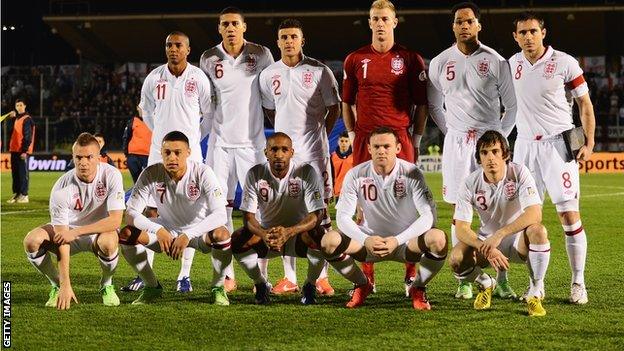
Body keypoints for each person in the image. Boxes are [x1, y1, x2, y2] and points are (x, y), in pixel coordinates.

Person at [427, 2, 517, 300]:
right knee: (458, 210)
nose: (464, 25)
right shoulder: (440, 62)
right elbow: (433, 105)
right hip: (456, 144)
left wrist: (497, 140)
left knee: (499, 210)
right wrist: (451, 132)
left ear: (479, 25)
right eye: (458, 21)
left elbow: (512, 106)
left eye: (469, 21)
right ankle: (464, 277)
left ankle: (502, 278)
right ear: (453, 26)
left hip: (488, 141)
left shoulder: (496, 61)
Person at [342, 0, 429, 294]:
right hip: (366, 137)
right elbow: (346, 101)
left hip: (400, 138)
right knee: (363, 203)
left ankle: (410, 274)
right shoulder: (355, 59)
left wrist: (415, 139)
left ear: (395, 22)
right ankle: (368, 275)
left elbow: (421, 104)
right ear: (369, 23)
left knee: (407, 202)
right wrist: (354, 134)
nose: (380, 23)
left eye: (385, 19)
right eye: (375, 19)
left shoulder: (410, 58)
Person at [510, 11, 596, 304]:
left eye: (533, 31)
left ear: (543, 32)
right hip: (524, 147)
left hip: (558, 146)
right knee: (529, 221)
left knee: (569, 216)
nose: (528, 37)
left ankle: (578, 283)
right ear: (515, 37)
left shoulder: (564, 62)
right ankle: (536, 284)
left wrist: (589, 141)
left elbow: (585, 104)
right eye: (522, 33)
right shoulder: (512, 64)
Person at [322, 127, 447, 310]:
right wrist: (366, 239)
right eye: (377, 146)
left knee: (438, 238)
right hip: (369, 244)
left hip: (405, 244)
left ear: (397, 148)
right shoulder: (356, 174)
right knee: (329, 241)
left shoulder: (412, 173)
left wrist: (397, 240)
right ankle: (362, 284)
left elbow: (428, 217)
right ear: (369, 148)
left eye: (387, 146)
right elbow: (342, 217)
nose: (381, 151)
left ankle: (418, 288)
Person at [232, 133, 364, 305]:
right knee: (237, 239)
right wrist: (264, 234)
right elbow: (248, 217)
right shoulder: (255, 173)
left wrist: (289, 231)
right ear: (266, 152)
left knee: (320, 235)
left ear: (292, 152)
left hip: (299, 238)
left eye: (284, 150)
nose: (279, 154)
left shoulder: (306, 171)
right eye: (274, 149)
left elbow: (317, 214)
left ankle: (310, 284)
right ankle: (260, 283)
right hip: (270, 238)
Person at [259, 18, 338, 296]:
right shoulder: (269, 75)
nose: (289, 41)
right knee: (284, 211)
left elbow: (334, 109)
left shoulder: (320, 71)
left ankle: (323, 278)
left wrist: (319, 135)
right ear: (278, 42)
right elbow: (271, 110)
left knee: (321, 214)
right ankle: (290, 277)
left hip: (314, 153)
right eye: (284, 37)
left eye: (294, 36)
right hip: (284, 155)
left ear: (302, 40)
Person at [129, 31, 213, 293]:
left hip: (190, 156)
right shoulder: (154, 78)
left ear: (188, 49)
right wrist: (161, 138)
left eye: (178, 45)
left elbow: (209, 115)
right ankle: (147, 276)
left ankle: (184, 276)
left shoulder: (198, 77)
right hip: (159, 154)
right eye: (169, 45)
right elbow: (146, 112)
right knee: (151, 212)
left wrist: (192, 142)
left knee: (189, 213)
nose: (173, 49)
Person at [199, 7, 275, 292]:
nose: (230, 28)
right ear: (219, 29)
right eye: (225, 24)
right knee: (220, 210)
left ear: (244, 26)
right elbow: (206, 103)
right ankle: (227, 275)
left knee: (262, 211)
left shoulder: (262, 54)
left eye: (235, 23)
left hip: (252, 145)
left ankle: (262, 276)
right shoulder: (208, 57)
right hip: (219, 146)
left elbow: (271, 94)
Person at [119, 131, 232, 305]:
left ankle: (217, 287)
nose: (172, 157)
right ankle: (151, 286)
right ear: (161, 153)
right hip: (166, 229)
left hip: (197, 231)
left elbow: (220, 214)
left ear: (188, 153)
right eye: (167, 152)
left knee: (222, 235)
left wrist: (188, 235)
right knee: (126, 234)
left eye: (177, 152)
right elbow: (131, 213)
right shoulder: (151, 173)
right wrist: (158, 229)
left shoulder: (203, 172)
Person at [450, 130, 550, 316]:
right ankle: (486, 283)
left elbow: (535, 213)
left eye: (495, 151)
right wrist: (485, 246)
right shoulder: (470, 183)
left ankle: (535, 292)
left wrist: (500, 234)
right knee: (456, 258)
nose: (490, 158)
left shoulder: (519, 172)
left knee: (539, 231)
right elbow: (461, 228)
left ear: (505, 154)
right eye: (484, 152)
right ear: (479, 158)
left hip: (517, 242)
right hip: (487, 245)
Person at [22, 132, 124, 309]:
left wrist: (76, 232)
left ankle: (106, 284)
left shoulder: (112, 175)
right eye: (79, 157)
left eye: (89, 157)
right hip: (68, 232)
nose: (83, 162)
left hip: (96, 233)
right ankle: (56, 285)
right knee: (31, 241)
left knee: (109, 242)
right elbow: (63, 238)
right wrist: (65, 284)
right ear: (73, 157)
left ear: (99, 157)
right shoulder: (61, 187)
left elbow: (115, 222)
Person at [7, 98, 35, 204]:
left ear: (25, 106)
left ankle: (24, 195)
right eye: (17, 105)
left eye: (21, 105)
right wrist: (11, 119)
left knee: (23, 173)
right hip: (14, 149)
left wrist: (24, 151)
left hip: (21, 151)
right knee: (15, 174)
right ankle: (17, 194)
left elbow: (27, 137)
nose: (19, 107)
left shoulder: (27, 119)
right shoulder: (17, 119)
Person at [122, 106, 152, 183]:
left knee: (147, 183)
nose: (142, 109)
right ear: (137, 108)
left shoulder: (154, 121)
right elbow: (126, 137)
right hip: (133, 156)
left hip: (147, 156)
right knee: (136, 183)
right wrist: (127, 154)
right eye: (140, 107)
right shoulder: (133, 121)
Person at [330, 131, 354, 200]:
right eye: (342, 141)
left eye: (346, 141)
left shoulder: (354, 156)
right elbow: (331, 175)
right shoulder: (332, 157)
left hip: (352, 192)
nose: (344, 143)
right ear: (338, 142)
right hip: (338, 192)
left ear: (350, 142)